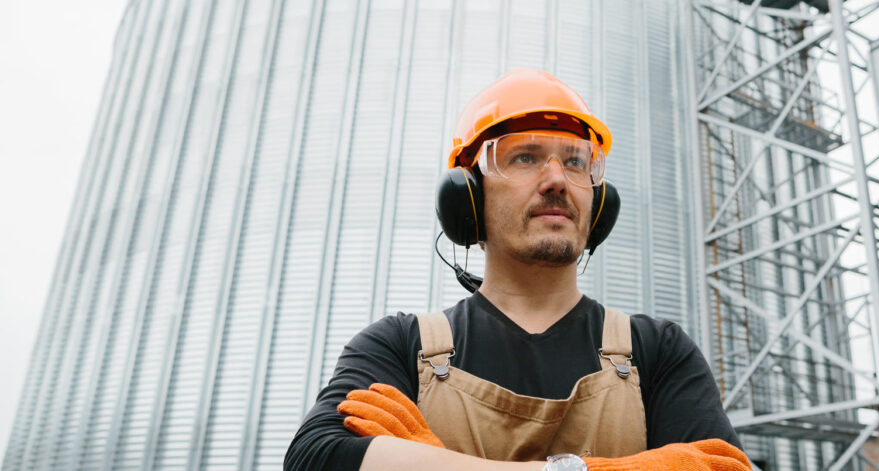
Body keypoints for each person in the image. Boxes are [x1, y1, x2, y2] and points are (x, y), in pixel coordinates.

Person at [285, 68, 750, 471]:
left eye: (576, 161)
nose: (556, 180)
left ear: (599, 201)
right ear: (467, 196)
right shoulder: (401, 346)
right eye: (524, 158)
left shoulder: (657, 352)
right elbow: (316, 458)